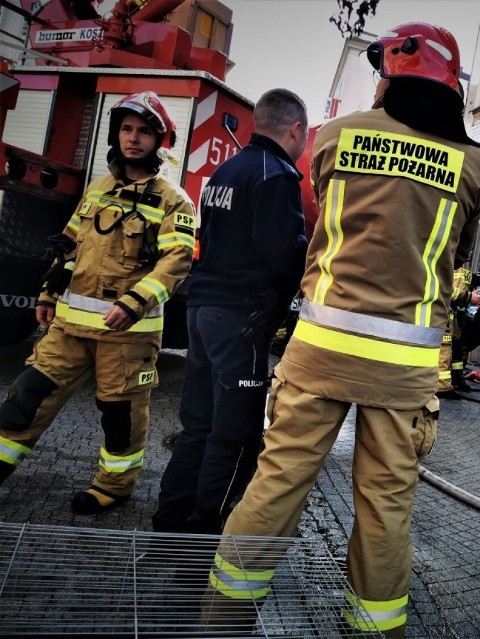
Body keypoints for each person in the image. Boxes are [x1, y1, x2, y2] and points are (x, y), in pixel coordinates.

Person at [200, 22, 480, 638]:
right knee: (386, 506)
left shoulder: (335, 136)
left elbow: (328, 214)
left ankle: (223, 616)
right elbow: (456, 257)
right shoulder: (474, 165)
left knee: (278, 481)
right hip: (404, 364)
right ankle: (374, 630)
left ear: (389, 75)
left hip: (321, 349)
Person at [0, 92, 195, 514]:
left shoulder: (174, 200)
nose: (133, 138)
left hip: (127, 337)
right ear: (115, 134)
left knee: (120, 418)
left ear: (159, 139)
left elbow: (176, 262)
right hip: (69, 329)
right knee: (25, 397)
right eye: (126, 129)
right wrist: (49, 292)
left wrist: (134, 302)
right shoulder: (98, 188)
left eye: (144, 131)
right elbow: (68, 246)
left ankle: (114, 486)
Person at [152, 89, 309, 535]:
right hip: (241, 319)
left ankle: (168, 522)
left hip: (203, 310)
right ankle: (203, 534)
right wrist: (279, 308)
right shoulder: (276, 175)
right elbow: (286, 253)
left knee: (197, 426)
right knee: (235, 437)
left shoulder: (226, 170)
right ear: (295, 129)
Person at [436, 261, 480, 399]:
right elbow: (444, 289)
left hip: (454, 312)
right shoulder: (451, 260)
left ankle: (451, 380)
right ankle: (442, 387)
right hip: (444, 311)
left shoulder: (463, 265)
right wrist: (468, 297)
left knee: (452, 348)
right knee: (444, 349)